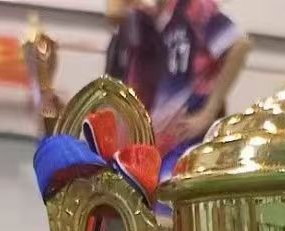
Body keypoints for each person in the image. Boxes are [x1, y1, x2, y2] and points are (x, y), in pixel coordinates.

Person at [107, 0, 250, 163]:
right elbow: (113, 14)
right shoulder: (143, 17)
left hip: (184, 143)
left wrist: (208, 113)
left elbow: (239, 46)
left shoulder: (195, 8)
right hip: (147, 143)